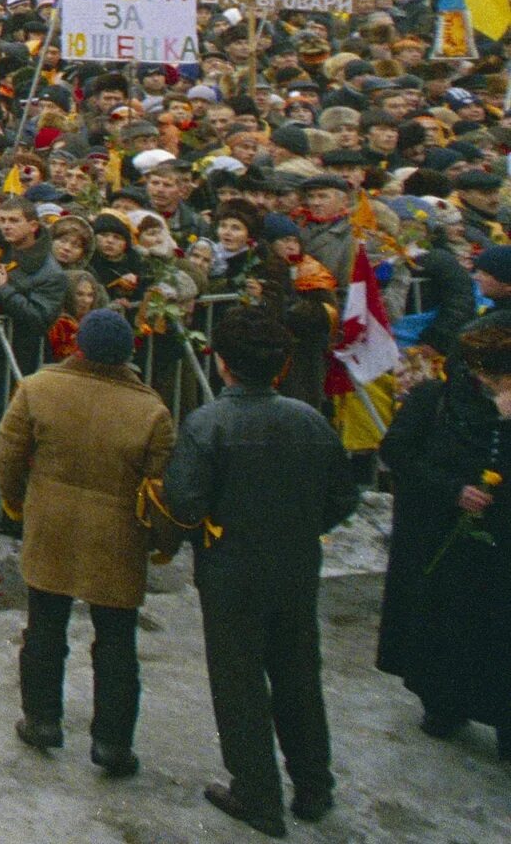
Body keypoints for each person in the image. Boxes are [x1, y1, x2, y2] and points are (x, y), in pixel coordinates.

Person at [164, 304, 363, 837]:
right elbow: (345, 496)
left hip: (231, 571)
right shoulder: (308, 419)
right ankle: (314, 786)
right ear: (277, 366)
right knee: (299, 673)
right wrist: (300, 526)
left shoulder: (208, 423)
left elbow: (183, 503)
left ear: (222, 363)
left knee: (239, 679)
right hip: (296, 568)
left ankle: (257, 793)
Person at [0, 306, 173, 778]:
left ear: (79, 345)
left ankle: (42, 720)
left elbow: (8, 452)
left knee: (44, 626)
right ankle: (113, 743)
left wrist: (16, 503)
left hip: (50, 520)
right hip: (117, 532)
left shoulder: (39, 388)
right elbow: (162, 486)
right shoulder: (151, 410)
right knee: (116, 640)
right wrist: (162, 541)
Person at [374, 316, 511, 754]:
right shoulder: (435, 399)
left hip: (500, 549)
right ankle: (444, 703)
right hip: (440, 540)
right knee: (444, 626)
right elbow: (397, 451)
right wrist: (453, 490)